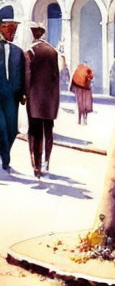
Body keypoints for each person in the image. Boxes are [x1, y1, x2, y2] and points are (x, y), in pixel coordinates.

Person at [25, 25, 59, 179]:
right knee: (48, 132)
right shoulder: (53, 51)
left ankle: (36, 166)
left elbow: (27, 76)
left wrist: (24, 95)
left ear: (34, 35)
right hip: (50, 100)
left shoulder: (30, 52)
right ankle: (47, 162)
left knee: (34, 133)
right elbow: (56, 78)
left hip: (34, 99)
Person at [0, 18, 25, 174]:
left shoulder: (18, 52)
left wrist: (23, 93)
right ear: (2, 28)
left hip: (12, 96)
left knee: (12, 129)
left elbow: (23, 74)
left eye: (14, 30)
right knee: (1, 127)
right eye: (10, 30)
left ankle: (5, 153)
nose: (13, 33)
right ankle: (5, 160)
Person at [70, 61, 94, 125]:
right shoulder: (88, 69)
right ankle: (83, 119)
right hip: (86, 89)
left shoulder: (78, 69)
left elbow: (73, 79)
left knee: (80, 104)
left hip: (80, 89)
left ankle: (80, 120)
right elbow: (91, 77)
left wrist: (72, 88)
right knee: (85, 105)